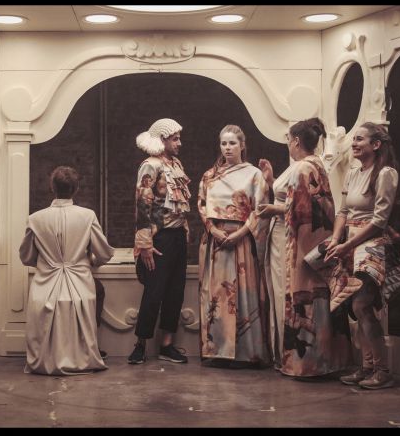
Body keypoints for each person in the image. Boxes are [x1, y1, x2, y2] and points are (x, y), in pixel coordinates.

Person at [305, 122, 400, 389]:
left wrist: (348, 245)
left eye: (360, 139)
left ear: (376, 144)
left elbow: (379, 221)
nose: (354, 143)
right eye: (354, 139)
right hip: (349, 240)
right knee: (355, 307)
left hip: (371, 242)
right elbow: (343, 211)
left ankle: (382, 370)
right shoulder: (353, 172)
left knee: (362, 305)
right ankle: (367, 366)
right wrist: (336, 240)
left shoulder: (385, 173)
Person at [257, 118, 351, 378]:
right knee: (307, 293)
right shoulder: (315, 164)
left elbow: (299, 210)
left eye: (289, 139)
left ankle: (303, 361)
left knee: (294, 294)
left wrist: (273, 209)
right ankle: (324, 358)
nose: (288, 144)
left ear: (296, 141)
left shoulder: (301, 168)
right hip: (304, 237)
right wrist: (271, 180)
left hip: (294, 238)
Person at [19, 166, 114, 375]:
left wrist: (47, 262)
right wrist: (90, 260)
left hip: (45, 284)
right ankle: (83, 357)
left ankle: (45, 359)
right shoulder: (87, 216)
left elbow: (26, 257)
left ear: (52, 188)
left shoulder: (35, 218)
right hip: (80, 283)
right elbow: (104, 253)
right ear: (76, 188)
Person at [197, 124, 271, 366]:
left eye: (232, 143)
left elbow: (260, 209)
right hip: (216, 241)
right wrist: (213, 230)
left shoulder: (254, 174)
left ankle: (246, 353)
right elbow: (201, 205)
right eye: (224, 143)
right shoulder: (209, 176)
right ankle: (217, 350)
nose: (227, 148)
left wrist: (240, 233)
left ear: (242, 145)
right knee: (217, 294)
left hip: (242, 239)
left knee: (242, 292)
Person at [127, 118, 190, 365]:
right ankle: (140, 344)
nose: (179, 143)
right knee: (154, 292)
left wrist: (185, 232)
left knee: (175, 292)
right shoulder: (150, 165)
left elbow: (180, 205)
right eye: (175, 139)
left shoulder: (176, 164)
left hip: (178, 236)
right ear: (162, 140)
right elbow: (142, 205)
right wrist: (144, 244)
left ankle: (166, 345)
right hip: (158, 238)